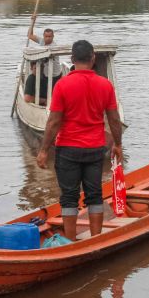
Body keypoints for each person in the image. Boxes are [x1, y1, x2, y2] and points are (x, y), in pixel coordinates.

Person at [37, 40, 123, 241]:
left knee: (69, 198)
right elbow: (114, 119)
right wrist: (118, 144)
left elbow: (53, 122)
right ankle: (96, 239)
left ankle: (70, 242)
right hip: (94, 149)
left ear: (72, 60)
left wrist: (43, 151)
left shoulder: (63, 85)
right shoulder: (105, 85)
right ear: (93, 59)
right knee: (94, 195)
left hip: (67, 149)